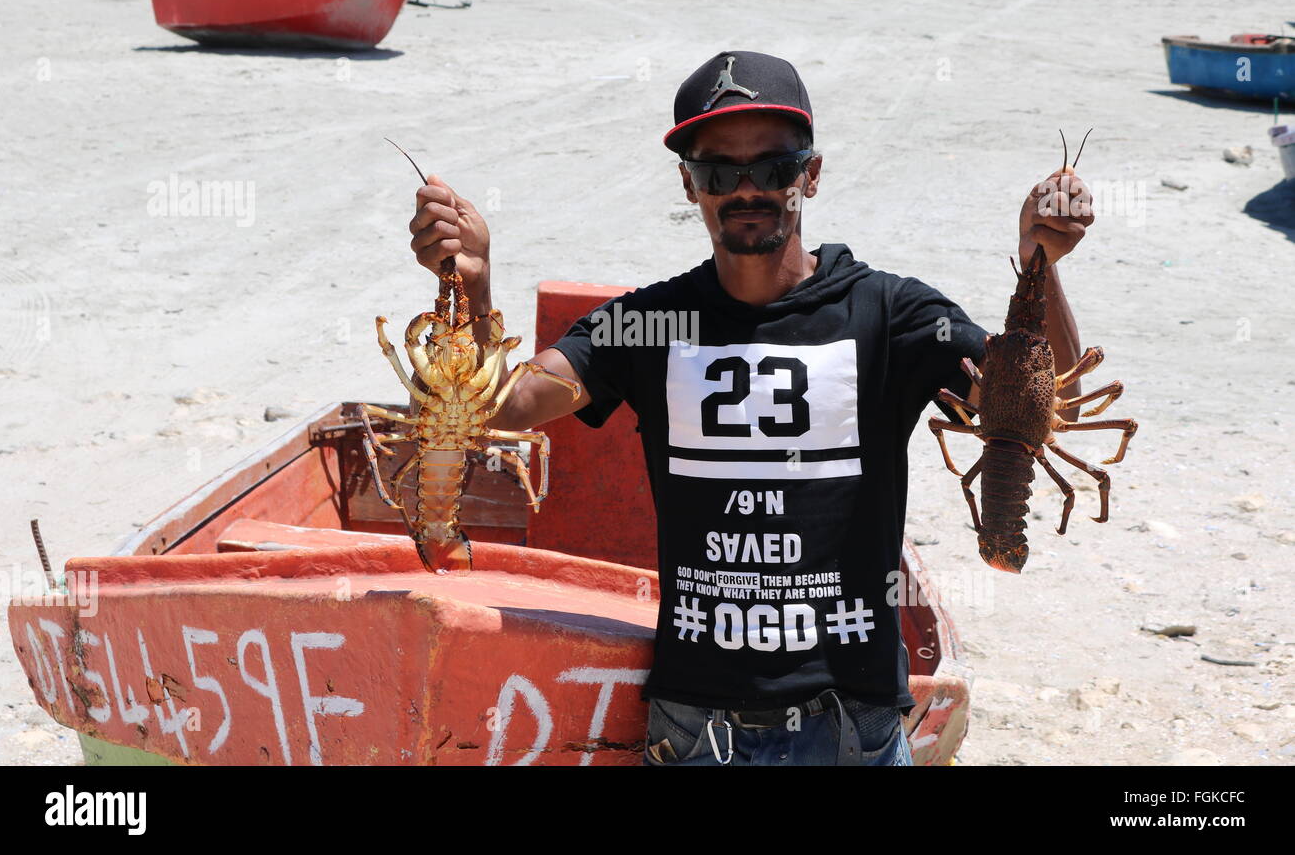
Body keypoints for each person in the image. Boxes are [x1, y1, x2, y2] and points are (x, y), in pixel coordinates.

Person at [407, 50, 1093, 765]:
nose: (746, 189)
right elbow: (506, 403)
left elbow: (1037, 401)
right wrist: (474, 284)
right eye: (717, 171)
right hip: (697, 729)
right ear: (689, 184)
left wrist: (1042, 261)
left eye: (773, 168)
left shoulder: (889, 313)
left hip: (851, 728)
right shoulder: (652, 323)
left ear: (812, 175)